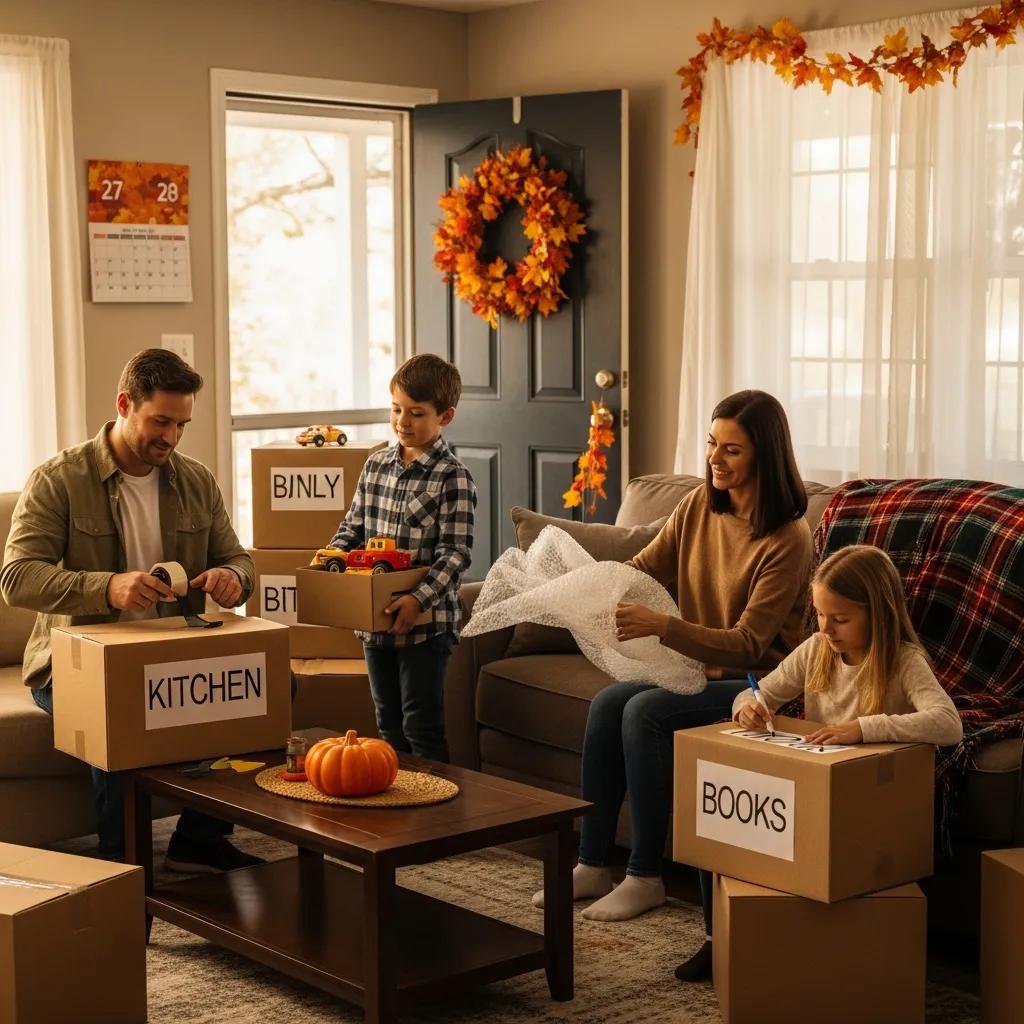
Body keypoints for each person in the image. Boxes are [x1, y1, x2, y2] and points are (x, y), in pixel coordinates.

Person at [532, 390, 813, 928]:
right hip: (698, 672)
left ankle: (645, 876)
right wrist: (587, 589)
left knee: (644, 713)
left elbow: (751, 644)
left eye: (733, 450)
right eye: (712, 443)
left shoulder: (787, 538)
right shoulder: (696, 508)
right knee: (610, 703)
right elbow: (640, 570)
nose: (715, 459)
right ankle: (592, 863)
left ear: (765, 455)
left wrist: (664, 626)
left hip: (757, 686)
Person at [0, 349, 262, 872]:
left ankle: (198, 843)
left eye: (182, 424)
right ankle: (121, 864)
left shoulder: (196, 480)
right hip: (77, 664)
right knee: (114, 713)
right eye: (160, 421)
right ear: (125, 404)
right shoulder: (59, 480)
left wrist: (236, 578)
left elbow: (236, 557)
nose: (171, 437)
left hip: (171, 653)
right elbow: (16, 578)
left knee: (264, 688)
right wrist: (108, 588)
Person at [675, 543, 964, 982]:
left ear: (878, 613)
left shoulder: (905, 661)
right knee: (722, 818)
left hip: (860, 796)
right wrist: (747, 709)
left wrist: (862, 728)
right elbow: (754, 692)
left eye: (841, 618)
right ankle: (717, 939)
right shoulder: (815, 650)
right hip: (811, 783)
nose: (827, 627)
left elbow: (948, 724)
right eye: (821, 614)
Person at [325, 353, 476, 762]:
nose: (402, 422)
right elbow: (353, 527)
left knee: (419, 723)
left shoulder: (452, 476)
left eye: (416, 413)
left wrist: (418, 599)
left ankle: (436, 814)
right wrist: (332, 558)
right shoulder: (375, 465)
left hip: (427, 627)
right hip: (375, 622)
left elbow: (456, 553)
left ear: (445, 416)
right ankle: (399, 807)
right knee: (387, 721)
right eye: (396, 409)